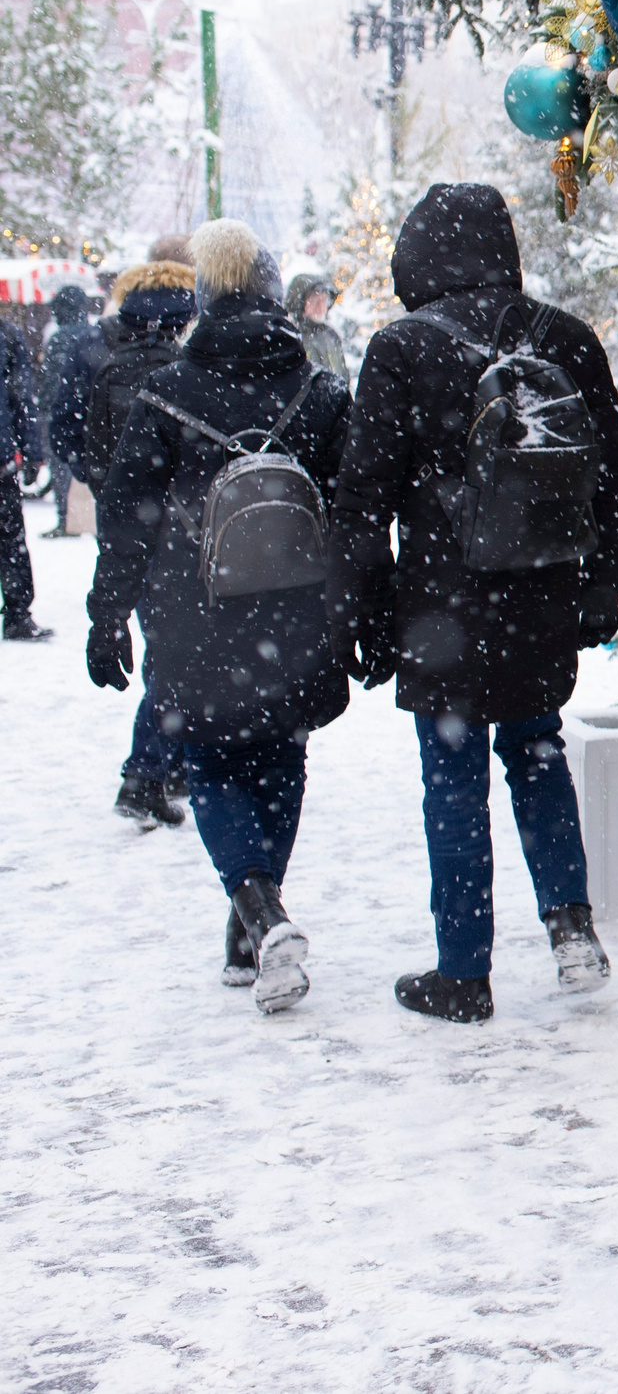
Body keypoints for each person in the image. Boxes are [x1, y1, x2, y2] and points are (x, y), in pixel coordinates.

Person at [331, 184, 618, 1025]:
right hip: (541, 598)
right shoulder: (566, 338)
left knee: (453, 780)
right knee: (537, 752)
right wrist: (600, 586)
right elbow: (612, 475)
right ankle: (572, 928)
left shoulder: (401, 349)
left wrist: (364, 614)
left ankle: (464, 971)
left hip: (444, 606)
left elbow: (363, 499)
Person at [83, 223, 352, 1013]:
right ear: (271, 292)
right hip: (298, 610)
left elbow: (127, 519)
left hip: (193, 613)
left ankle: (257, 908)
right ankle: (253, 924)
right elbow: (357, 506)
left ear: (202, 296)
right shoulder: (318, 387)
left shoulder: (168, 390)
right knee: (282, 758)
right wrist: (361, 605)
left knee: (212, 764)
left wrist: (109, 616)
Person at [57, 262, 199, 824]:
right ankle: (144, 775)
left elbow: (83, 444)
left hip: (126, 532)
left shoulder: (108, 369)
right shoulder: (182, 374)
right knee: (175, 657)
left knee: (167, 650)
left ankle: (175, 761)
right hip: (178, 535)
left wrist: (111, 495)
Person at [37, 283, 98, 536]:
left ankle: (66, 520)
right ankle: (86, 519)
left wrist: (45, 408)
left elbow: (52, 380)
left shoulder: (60, 338)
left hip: (62, 410)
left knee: (62, 466)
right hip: (91, 411)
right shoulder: (94, 333)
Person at [0, 313, 40, 640]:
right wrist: (31, 448)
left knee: (10, 537)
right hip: (1, 456)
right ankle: (16, 614)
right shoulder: (7, 334)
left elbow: (21, 397)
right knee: (10, 538)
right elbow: (22, 398)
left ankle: (17, 612)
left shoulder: (8, 334)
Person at [283, 274, 348, 382]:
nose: (320, 306)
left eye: (324, 300)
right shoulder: (291, 335)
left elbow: (343, 375)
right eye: (314, 300)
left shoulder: (331, 336)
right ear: (300, 303)